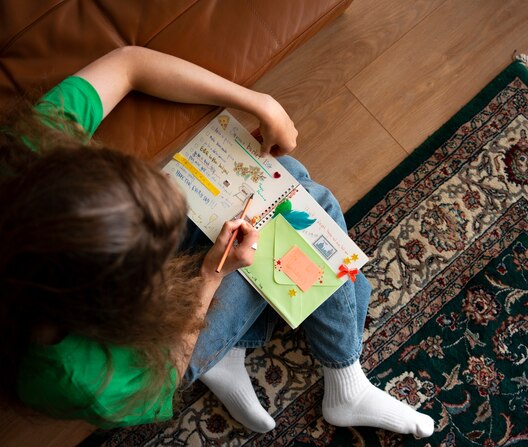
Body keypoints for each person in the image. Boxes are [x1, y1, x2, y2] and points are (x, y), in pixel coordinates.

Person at [0, 46, 434, 438]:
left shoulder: (30, 161)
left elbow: (129, 63)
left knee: (291, 182)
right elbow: (163, 379)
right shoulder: (77, 376)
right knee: (307, 218)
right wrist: (211, 273)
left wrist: (253, 99)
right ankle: (344, 379)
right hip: (159, 357)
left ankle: (235, 348)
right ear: (119, 303)